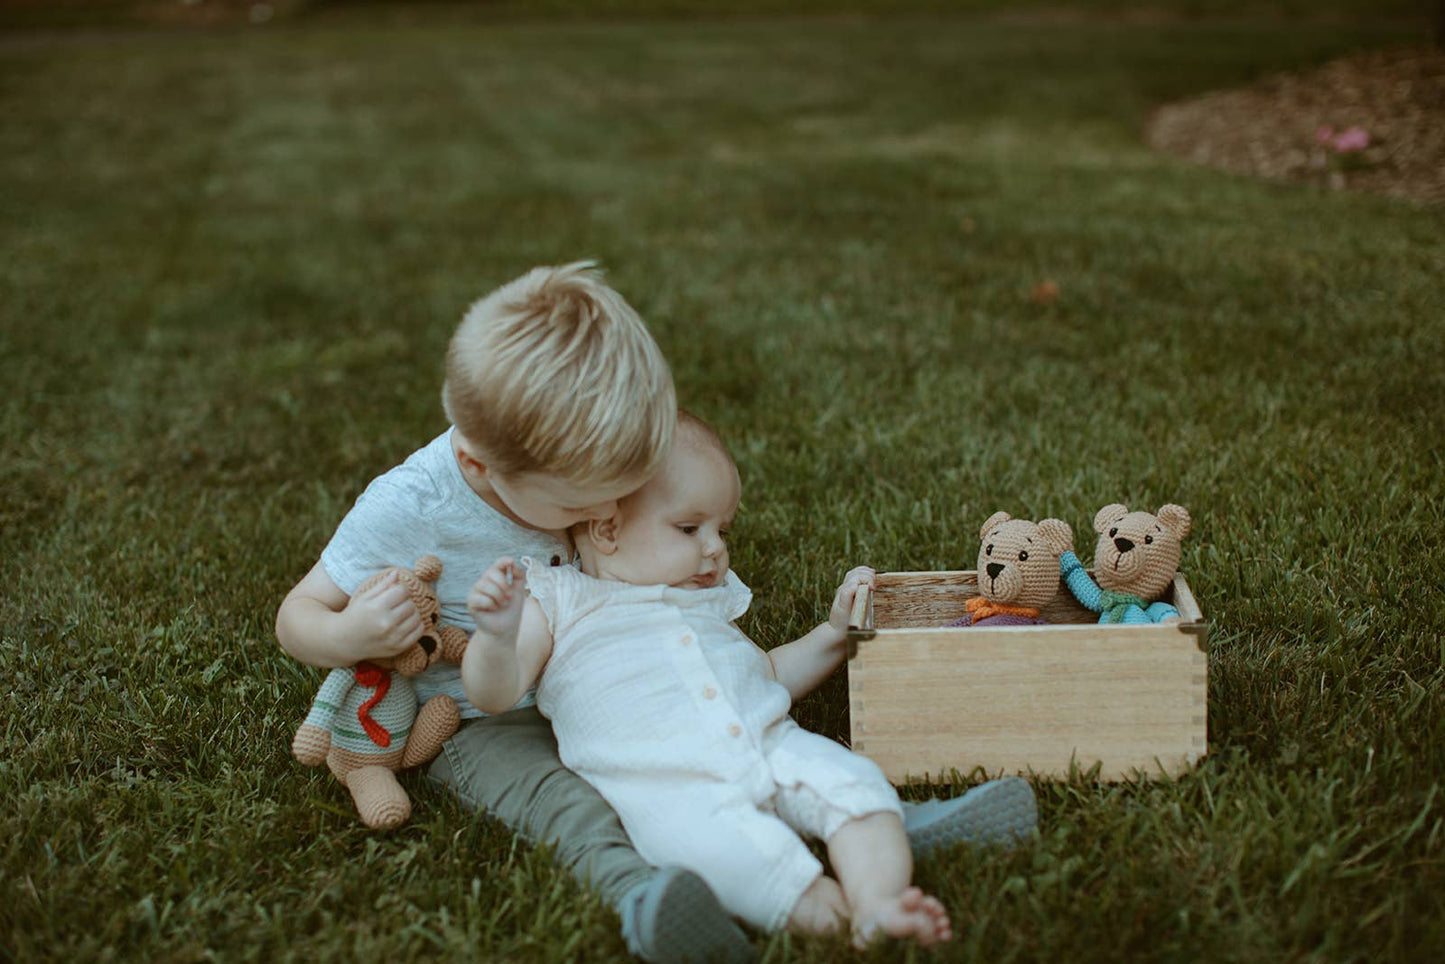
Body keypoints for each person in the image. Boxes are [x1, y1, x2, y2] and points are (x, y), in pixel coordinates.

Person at [276, 264, 1033, 962]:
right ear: (481, 464)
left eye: (628, 485)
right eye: (583, 502)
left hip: (610, 678)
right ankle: (644, 893)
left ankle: (877, 836)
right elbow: (297, 617)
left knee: (745, 750)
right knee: (572, 806)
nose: (609, 511)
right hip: (477, 714)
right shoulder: (408, 506)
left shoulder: (594, 477)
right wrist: (347, 633)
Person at [462, 413, 955, 945]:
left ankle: (878, 896)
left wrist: (833, 634)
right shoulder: (560, 599)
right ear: (607, 528)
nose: (715, 548)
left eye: (721, 530)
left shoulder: (707, 601)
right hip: (670, 788)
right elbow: (497, 692)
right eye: (690, 528)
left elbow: (766, 674)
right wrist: (494, 637)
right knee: (737, 859)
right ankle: (840, 920)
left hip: (771, 744)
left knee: (855, 786)